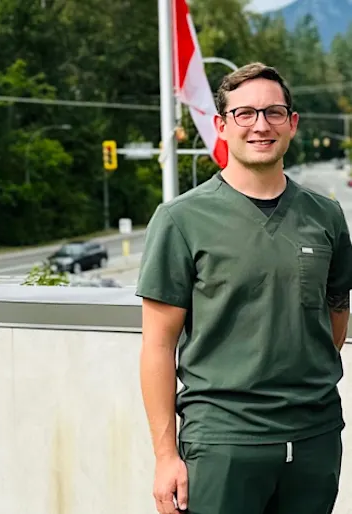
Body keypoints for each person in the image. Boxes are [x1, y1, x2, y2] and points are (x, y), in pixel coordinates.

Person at [136, 62, 352, 514]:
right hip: (222, 444)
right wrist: (165, 457)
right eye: (245, 114)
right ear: (222, 126)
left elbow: (336, 311)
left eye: (274, 113)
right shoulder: (180, 219)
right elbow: (157, 345)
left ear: (292, 124)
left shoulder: (326, 217)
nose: (260, 125)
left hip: (315, 439)